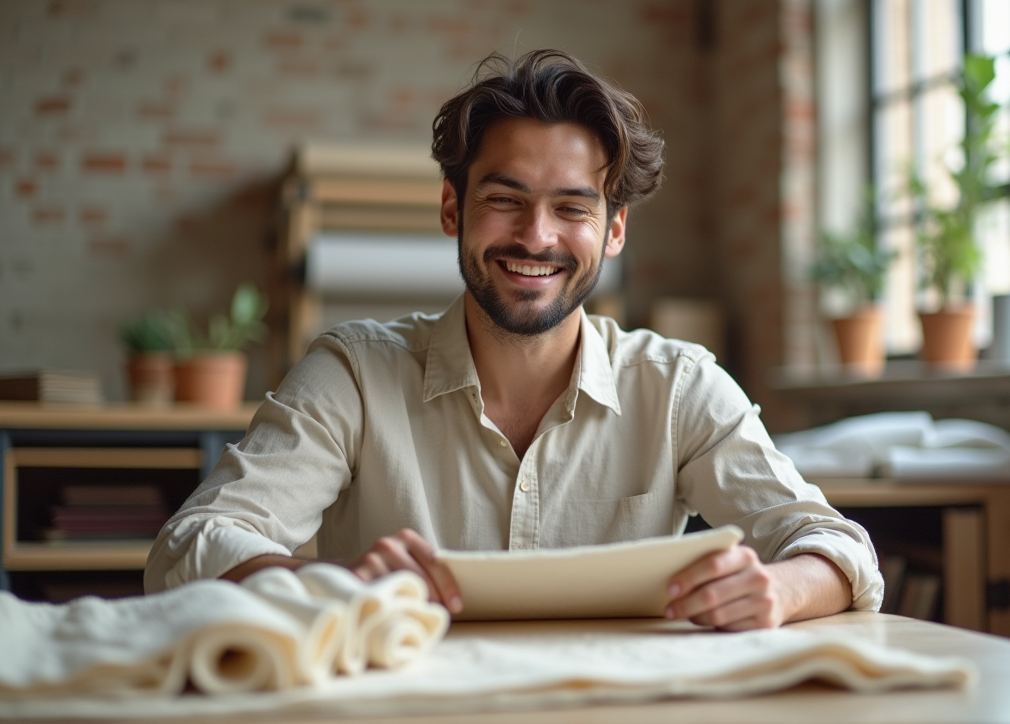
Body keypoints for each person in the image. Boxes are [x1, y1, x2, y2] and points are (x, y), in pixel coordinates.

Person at [145, 50, 883, 630]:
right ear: (451, 208)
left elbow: (840, 548)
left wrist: (780, 589)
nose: (537, 236)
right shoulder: (354, 373)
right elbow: (189, 547)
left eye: (572, 208)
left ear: (614, 230)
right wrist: (323, 581)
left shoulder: (679, 386)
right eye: (505, 200)